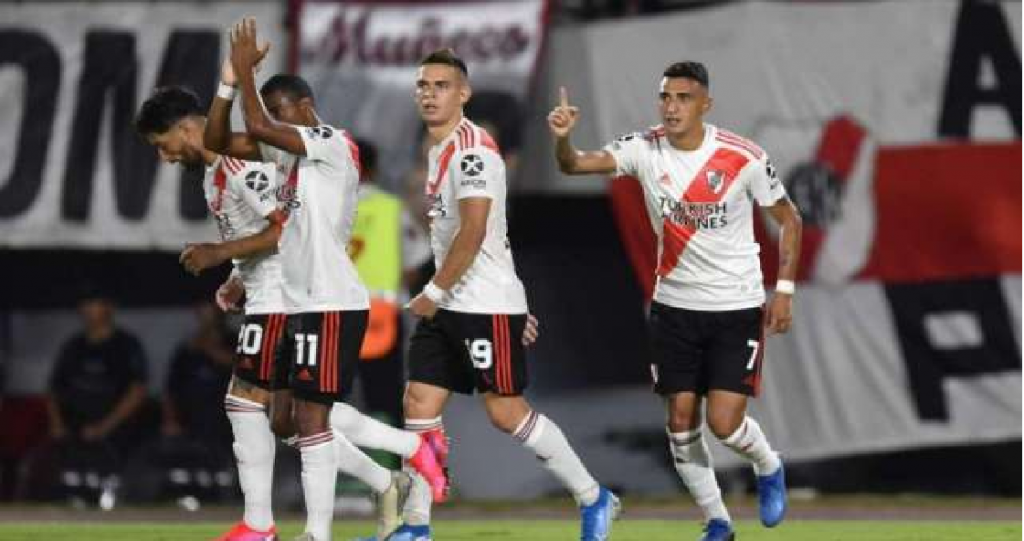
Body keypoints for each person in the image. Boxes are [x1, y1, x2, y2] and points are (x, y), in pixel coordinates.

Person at [136, 79, 439, 541]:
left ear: (186, 129)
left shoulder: (241, 165)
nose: (165, 156)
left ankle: (260, 525)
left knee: (245, 402)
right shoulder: (216, 172)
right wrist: (238, 277)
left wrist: (220, 254)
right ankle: (391, 475)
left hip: (284, 296)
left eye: (163, 144)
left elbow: (284, 229)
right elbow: (264, 232)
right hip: (275, 293)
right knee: (289, 419)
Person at [548, 61, 803, 541]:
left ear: (706, 104)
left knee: (724, 424)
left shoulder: (742, 156)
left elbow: (789, 219)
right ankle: (718, 521)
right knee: (681, 421)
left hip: (735, 307)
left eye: (683, 98)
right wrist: (563, 139)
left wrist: (784, 291)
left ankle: (768, 464)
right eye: (665, 97)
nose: (671, 107)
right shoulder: (643, 149)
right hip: (674, 309)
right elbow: (574, 164)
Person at [385, 49, 620, 541]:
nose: (430, 94)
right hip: (456, 302)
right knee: (419, 402)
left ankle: (593, 496)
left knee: (505, 412)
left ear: (463, 93)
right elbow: (491, 235)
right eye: (424, 85)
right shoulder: (439, 149)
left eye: (442, 86)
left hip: (479, 302)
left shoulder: (473, 150)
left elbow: (474, 231)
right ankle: (416, 526)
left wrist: (438, 290)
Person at [46, 290, 148, 506]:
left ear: (109, 308)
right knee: (69, 487)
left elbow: (137, 392)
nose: (88, 310)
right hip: (75, 433)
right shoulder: (73, 346)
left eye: (94, 304)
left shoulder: (126, 345)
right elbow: (54, 389)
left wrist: (104, 427)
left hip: (116, 436)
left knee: (116, 489)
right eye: (85, 304)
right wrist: (57, 424)